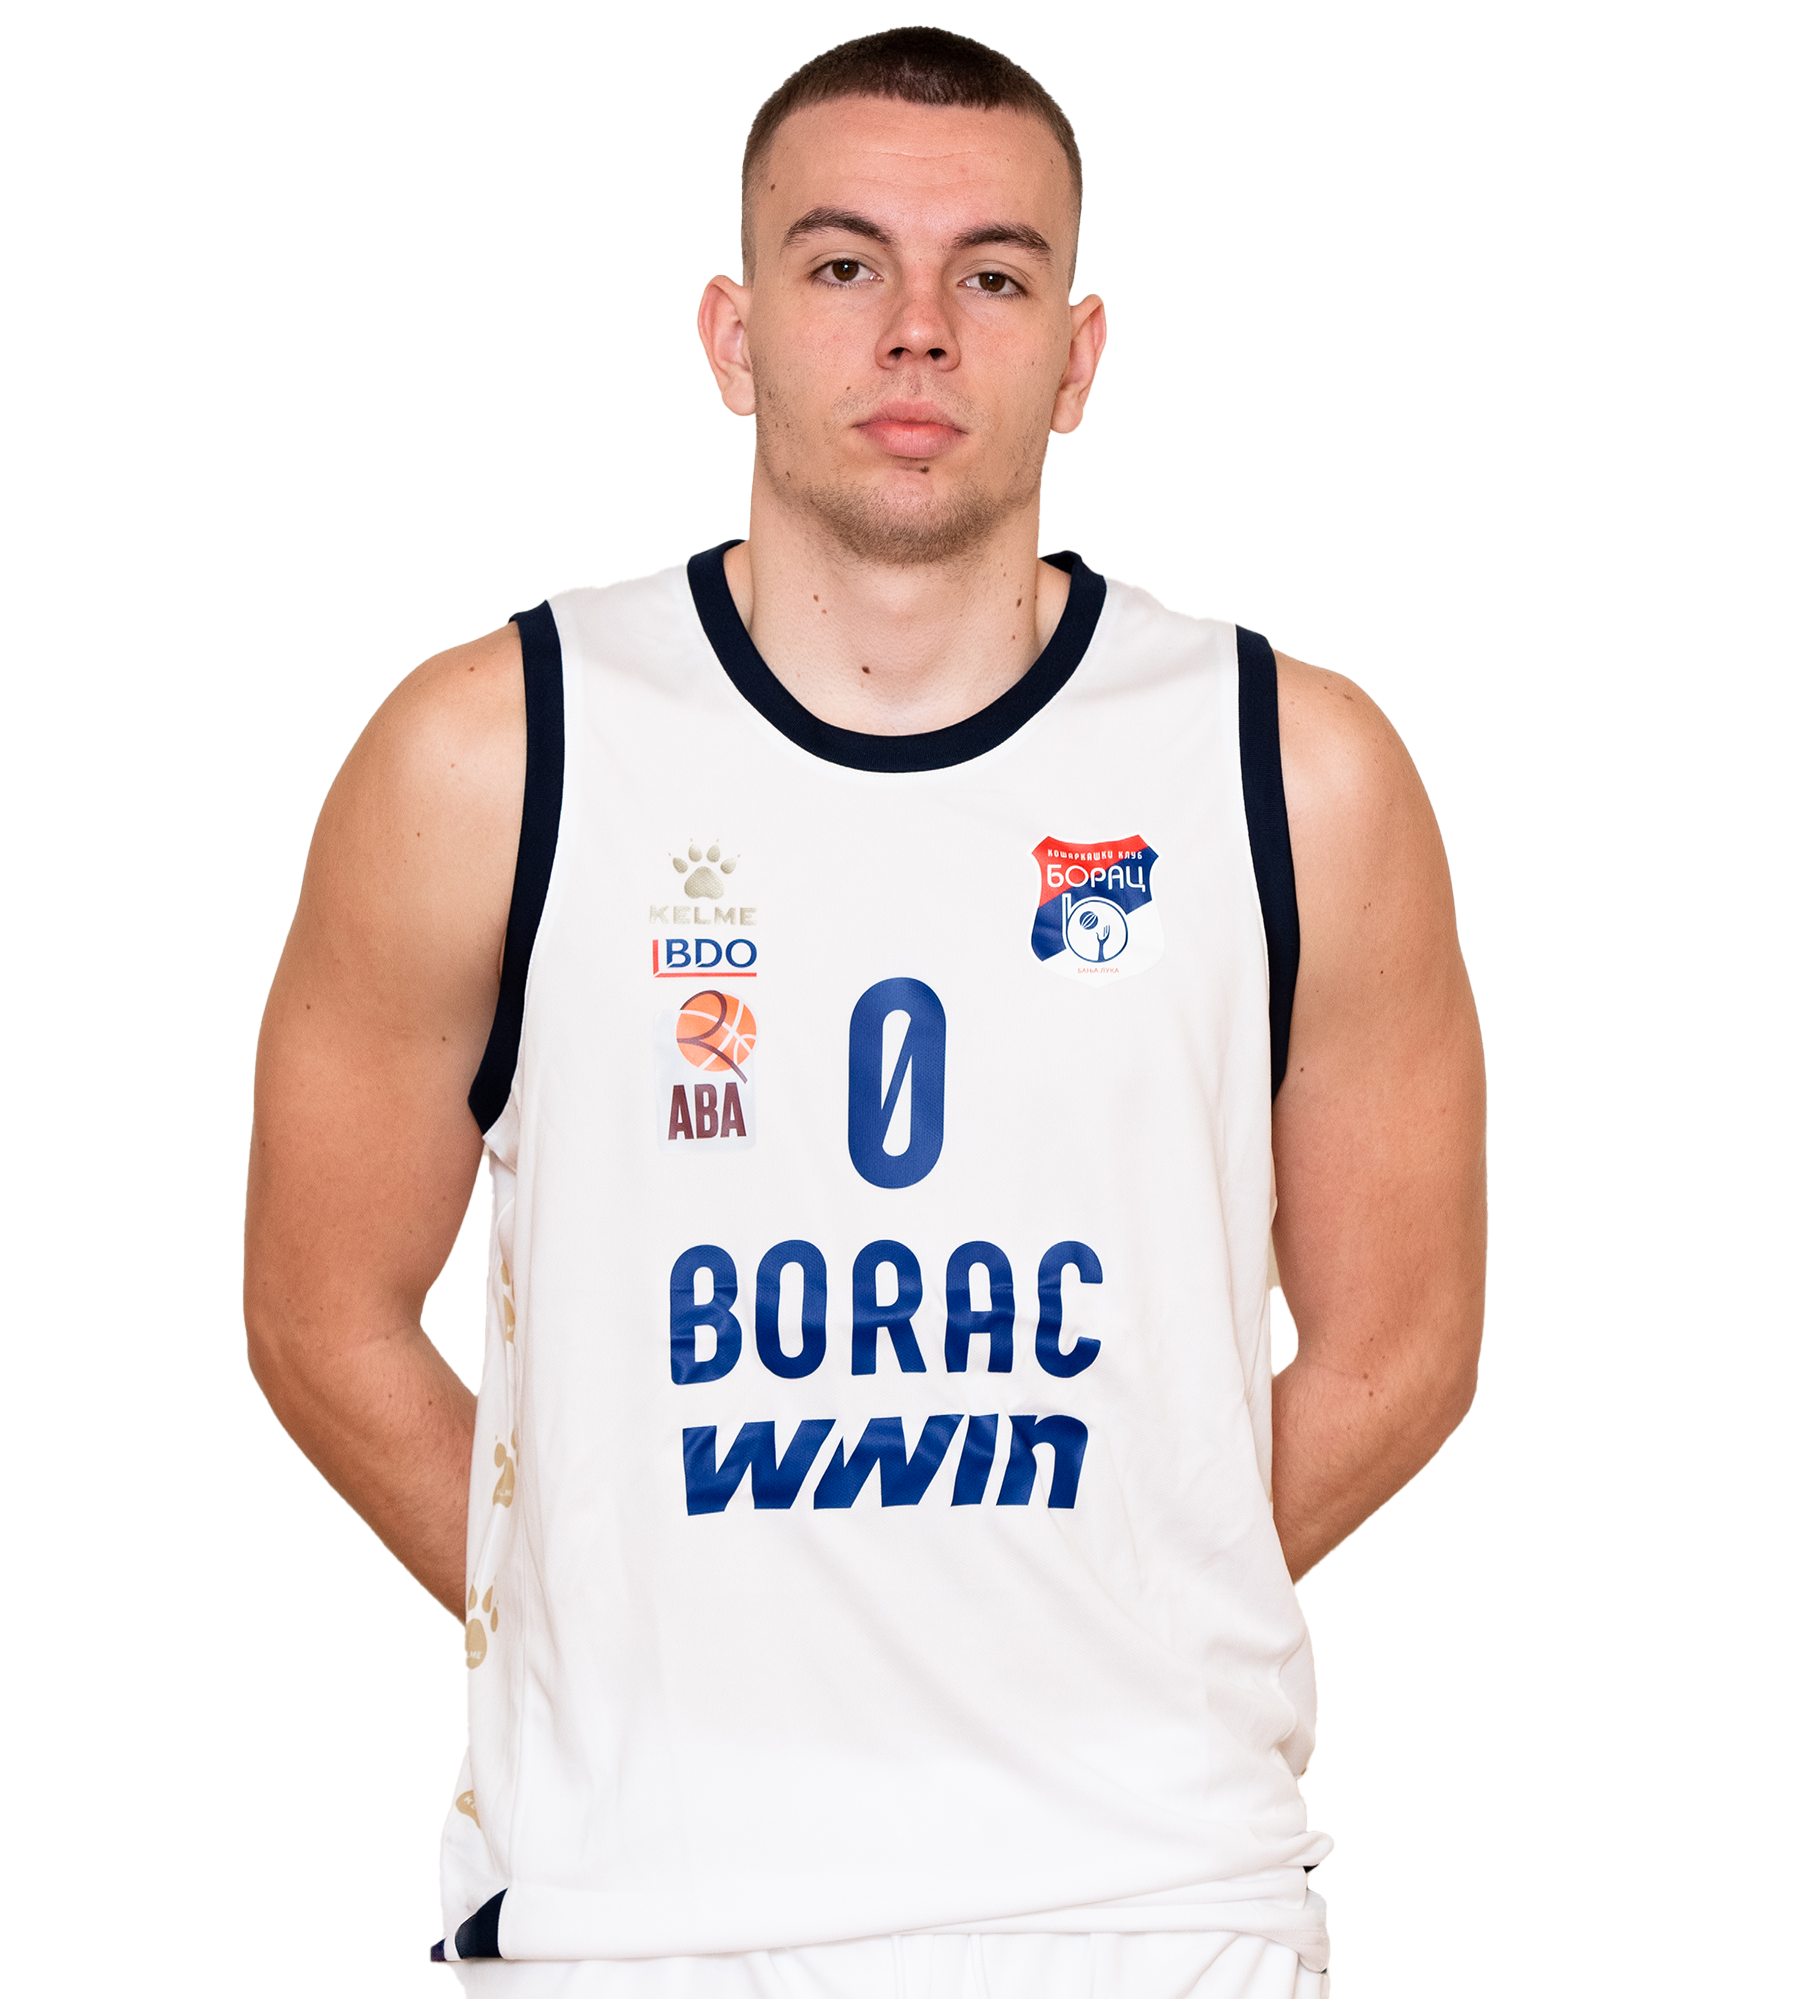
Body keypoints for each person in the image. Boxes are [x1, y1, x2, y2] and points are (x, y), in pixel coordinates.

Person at [245, 26, 1486, 1999]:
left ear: (1074, 354)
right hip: (641, 1913)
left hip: (1154, 1906)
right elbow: (316, 1309)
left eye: (992, 274)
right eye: (843, 265)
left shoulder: (1291, 770)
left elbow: (1404, 1341)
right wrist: (604, 1611)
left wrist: (1108, 1591)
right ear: (733, 334)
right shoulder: (493, 755)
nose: (917, 329)